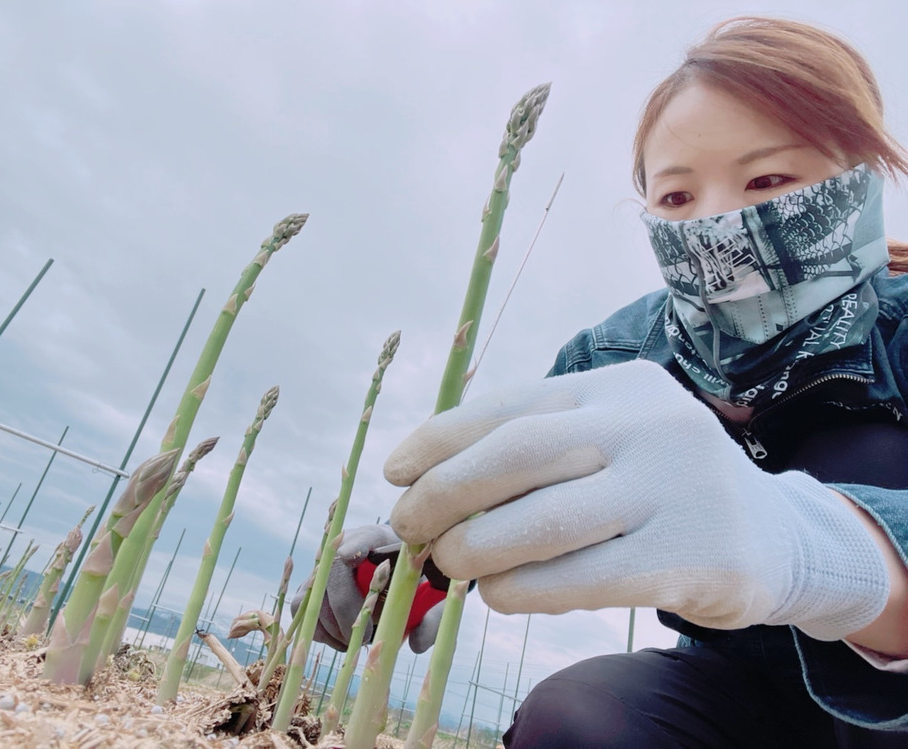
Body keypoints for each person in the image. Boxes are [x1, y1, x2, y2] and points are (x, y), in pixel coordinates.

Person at [304, 16, 908, 746]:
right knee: (581, 719)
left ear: (858, 183)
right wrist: (411, 559)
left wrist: (817, 554)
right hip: (730, 690)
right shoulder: (618, 356)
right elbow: (515, 483)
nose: (718, 219)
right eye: (678, 197)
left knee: (863, 455)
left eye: (769, 180)